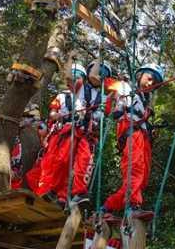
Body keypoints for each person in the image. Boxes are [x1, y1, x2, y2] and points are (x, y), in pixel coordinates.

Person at [35, 60, 111, 208]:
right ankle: (55, 192)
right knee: (62, 162)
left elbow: (102, 115)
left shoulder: (103, 98)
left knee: (84, 163)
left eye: (104, 75)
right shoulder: (69, 93)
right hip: (68, 130)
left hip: (87, 134)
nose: (100, 77)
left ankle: (78, 193)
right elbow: (53, 114)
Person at [102, 63, 164, 220]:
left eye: (154, 83)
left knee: (142, 177)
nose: (151, 84)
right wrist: (117, 84)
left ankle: (107, 207)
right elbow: (106, 87)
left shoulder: (145, 102)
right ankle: (133, 205)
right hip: (131, 131)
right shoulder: (126, 88)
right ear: (140, 76)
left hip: (142, 136)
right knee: (135, 168)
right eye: (149, 79)